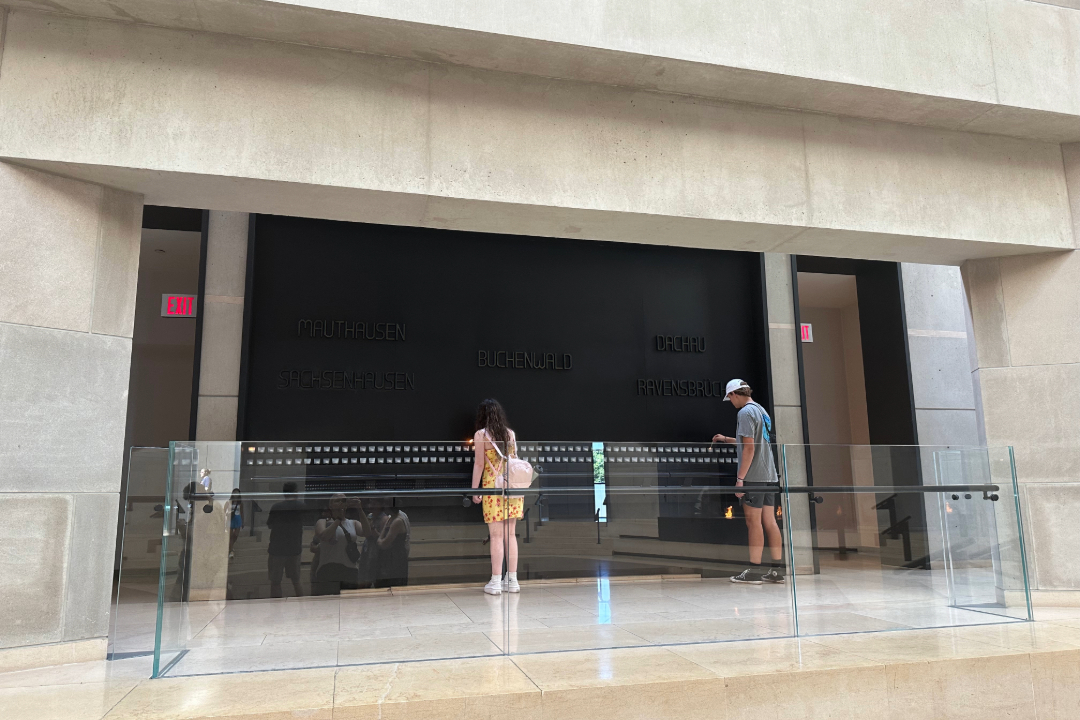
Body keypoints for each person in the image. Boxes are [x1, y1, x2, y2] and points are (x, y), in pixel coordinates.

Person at [712, 379, 785, 585]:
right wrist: (727, 439)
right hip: (770, 475)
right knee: (770, 522)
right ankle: (776, 571)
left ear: (735, 394)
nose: (731, 402)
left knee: (753, 522)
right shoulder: (761, 410)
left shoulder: (744, 413)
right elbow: (753, 442)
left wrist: (740, 479)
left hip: (754, 476)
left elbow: (750, 449)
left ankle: (754, 571)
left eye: (730, 398)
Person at [471, 398, 523, 595]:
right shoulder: (510, 434)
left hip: (493, 488)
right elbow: (515, 460)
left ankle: (495, 582)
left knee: (496, 535)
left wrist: (475, 490)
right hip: (512, 488)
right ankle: (512, 580)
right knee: (511, 535)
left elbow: (479, 465)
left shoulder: (480, 435)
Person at [312, 493, 362, 594]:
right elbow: (324, 536)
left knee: (349, 605)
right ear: (330, 506)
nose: (340, 503)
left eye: (343, 501)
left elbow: (367, 532)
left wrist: (360, 509)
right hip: (328, 570)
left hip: (349, 570)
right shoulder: (323, 522)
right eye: (337, 501)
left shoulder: (353, 523)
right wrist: (338, 519)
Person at [358, 497, 411, 588]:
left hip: (394, 558)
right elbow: (379, 539)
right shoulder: (391, 519)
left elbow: (383, 543)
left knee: (393, 585)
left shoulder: (395, 520)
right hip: (389, 557)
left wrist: (377, 535)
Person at [266, 481, 306, 598]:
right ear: (296, 492)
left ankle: (276, 609)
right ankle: (303, 606)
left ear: (284, 493)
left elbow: (270, 524)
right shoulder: (301, 506)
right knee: (296, 580)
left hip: (277, 549)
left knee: (275, 581)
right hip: (294, 548)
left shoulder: (276, 507)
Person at [227, 489, 244, 559]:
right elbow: (225, 510)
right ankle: (230, 550)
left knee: (235, 535)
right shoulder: (229, 502)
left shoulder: (240, 503)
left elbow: (242, 512)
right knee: (230, 536)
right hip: (231, 518)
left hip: (238, 518)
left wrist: (243, 521)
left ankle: (231, 546)